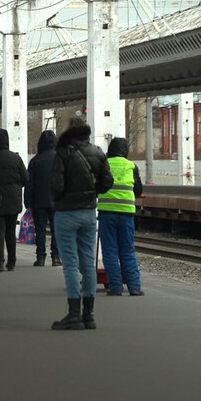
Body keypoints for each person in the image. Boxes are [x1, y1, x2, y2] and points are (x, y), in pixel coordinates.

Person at [50, 119, 113, 330]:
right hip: (88, 213)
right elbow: (107, 182)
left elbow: (57, 185)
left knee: (70, 264)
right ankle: (89, 315)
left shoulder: (63, 153)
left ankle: (74, 314)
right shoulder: (98, 152)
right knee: (88, 264)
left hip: (66, 214)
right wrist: (92, 192)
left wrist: (58, 198)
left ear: (69, 131)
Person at [98, 137, 144, 296]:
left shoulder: (104, 164)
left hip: (107, 213)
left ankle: (116, 288)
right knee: (127, 249)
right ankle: (134, 287)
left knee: (110, 251)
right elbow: (138, 190)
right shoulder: (131, 166)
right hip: (126, 213)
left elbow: (98, 186)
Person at [0, 128, 28, 272]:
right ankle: (12, 262)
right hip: (13, 200)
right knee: (10, 231)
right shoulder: (16, 158)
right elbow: (25, 178)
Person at [24, 130, 60, 266]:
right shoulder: (60, 159)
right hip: (57, 201)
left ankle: (40, 257)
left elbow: (30, 183)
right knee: (56, 230)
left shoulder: (35, 161)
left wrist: (28, 202)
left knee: (40, 230)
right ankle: (56, 257)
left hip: (39, 201)